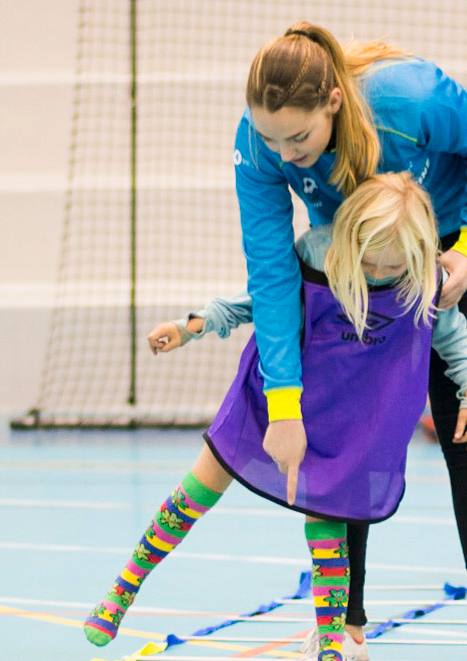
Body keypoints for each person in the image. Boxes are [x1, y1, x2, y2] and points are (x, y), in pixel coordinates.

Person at [83, 173, 467, 661]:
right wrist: (194, 325)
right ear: (348, 238)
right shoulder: (316, 255)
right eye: (368, 262)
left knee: (330, 525)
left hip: (342, 419)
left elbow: (453, 339)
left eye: (390, 266)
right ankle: (124, 589)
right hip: (274, 400)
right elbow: (263, 301)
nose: (375, 273)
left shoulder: (423, 280)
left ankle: (331, 643)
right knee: (195, 493)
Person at [234, 24, 467, 641]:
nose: (284, 154)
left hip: (448, 254)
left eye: (299, 136)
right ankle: (345, 629)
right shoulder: (261, 146)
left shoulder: (409, 99)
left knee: (464, 437)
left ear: (333, 102)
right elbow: (273, 275)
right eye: (268, 136)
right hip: (355, 265)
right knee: (345, 437)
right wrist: (284, 403)